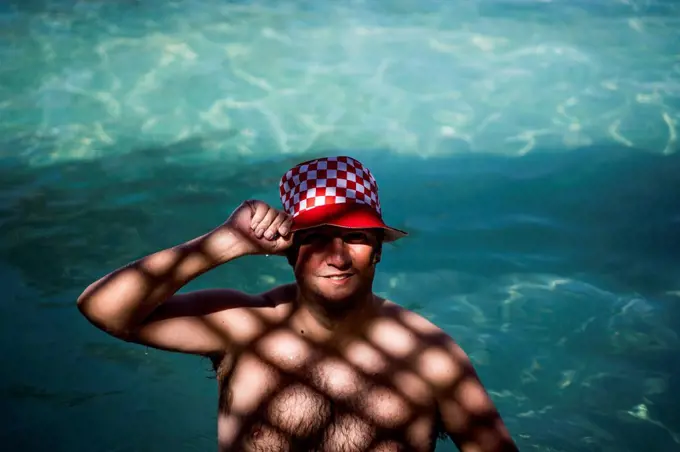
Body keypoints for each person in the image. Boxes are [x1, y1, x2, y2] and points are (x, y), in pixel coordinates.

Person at [77, 156, 518, 452]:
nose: (338, 256)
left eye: (356, 238)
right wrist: (224, 243)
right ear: (288, 251)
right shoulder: (243, 328)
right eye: (316, 239)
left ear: (379, 250)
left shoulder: (430, 357)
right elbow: (103, 309)